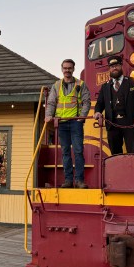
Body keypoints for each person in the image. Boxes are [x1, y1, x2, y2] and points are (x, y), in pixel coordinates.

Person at [45, 58, 91, 188]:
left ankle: (79, 181)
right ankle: (68, 180)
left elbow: (87, 101)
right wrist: (49, 115)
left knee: (78, 151)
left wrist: (82, 117)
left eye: (69, 68)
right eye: (65, 68)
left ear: (73, 69)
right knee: (65, 152)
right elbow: (51, 102)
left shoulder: (80, 85)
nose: (67, 70)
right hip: (61, 123)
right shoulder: (56, 85)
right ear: (62, 69)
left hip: (75, 122)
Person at [93, 56, 134, 154]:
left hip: (130, 123)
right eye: (112, 66)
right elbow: (100, 103)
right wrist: (97, 111)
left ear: (121, 65)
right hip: (112, 124)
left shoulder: (133, 82)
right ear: (109, 68)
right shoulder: (105, 86)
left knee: (133, 153)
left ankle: (133, 169)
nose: (114, 68)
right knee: (115, 154)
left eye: (116, 65)